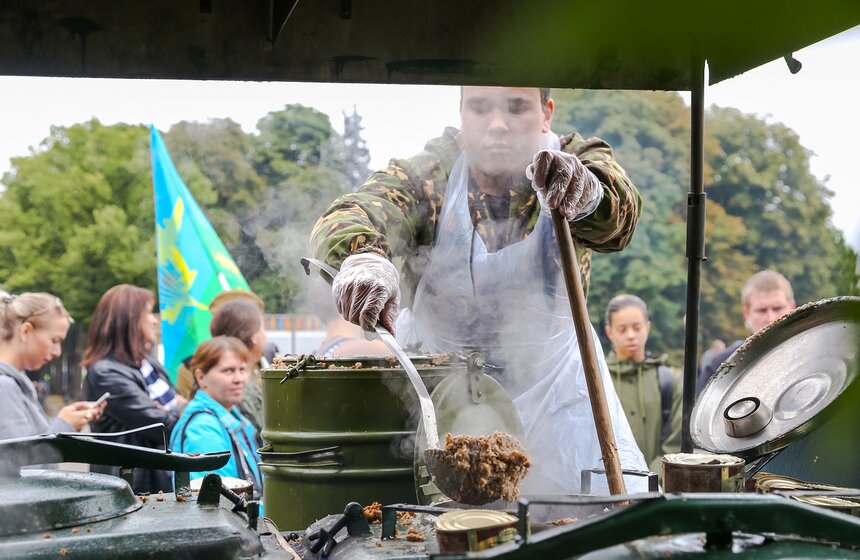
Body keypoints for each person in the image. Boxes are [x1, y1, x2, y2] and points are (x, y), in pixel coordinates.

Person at [311, 86, 646, 493]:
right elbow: (351, 211)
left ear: (546, 114)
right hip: (443, 398)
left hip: (560, 394)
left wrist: (590, 195)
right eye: (480, 108)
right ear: (462, 112)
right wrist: (362, 257)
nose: (497, 124)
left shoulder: (574, 161)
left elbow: (620, 215)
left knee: (585, 524)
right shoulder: (429, 173)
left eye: (517, 108)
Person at [83, 284, 187, 494]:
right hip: (132, 486)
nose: (154, 320)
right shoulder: (106, 373)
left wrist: (173, 408)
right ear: (128, 320)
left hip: (159, 477)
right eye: (148, 313)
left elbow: (173, 409)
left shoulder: (148, 362)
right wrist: (180, 408)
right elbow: (162, 428)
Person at [0, 292, 105, 440]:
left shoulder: (14, 382)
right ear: (26, 331)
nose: (58, 352)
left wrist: (69, 422)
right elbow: (21, 459)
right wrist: (64, 424)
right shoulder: (4, 386)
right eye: (54, 340)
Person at [169, 336, 263, 498]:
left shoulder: (233, 417)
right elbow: (219, 502)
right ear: (201, 377)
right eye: (228, 371)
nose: (239, 379)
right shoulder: (203, 428)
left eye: (242, 370)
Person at [603, 294, 681, 475]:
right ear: (609, 332)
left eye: (636, 328)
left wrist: (649, 481)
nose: (631, 336)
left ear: (647, 327)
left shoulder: (670, 381)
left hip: (656, 492)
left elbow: (675, 444)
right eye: (622, 329)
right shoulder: (597, 382)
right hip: (605, 491)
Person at [696, 270, 796, 395]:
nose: (771, 318)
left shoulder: (815, 353)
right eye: (762, 310)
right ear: (747, 313)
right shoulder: (722, 367)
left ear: (792, 308)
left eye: (777, 308)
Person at [208, 297, 268, 433]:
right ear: (253, 336)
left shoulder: (221, 378)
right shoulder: (240, 387)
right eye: (263, 329)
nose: (265, 336)